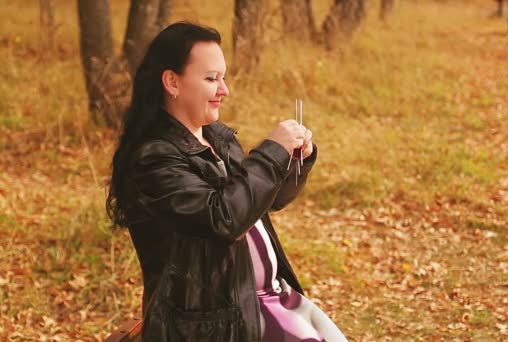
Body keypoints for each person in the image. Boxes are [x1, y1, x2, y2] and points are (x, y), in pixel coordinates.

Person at [106, 22, 348, 342]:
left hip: (265, 298)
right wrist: (271, 153)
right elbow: (223, 218)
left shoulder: (217, 139)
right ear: (172, 82)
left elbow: (262, 200)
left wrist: (293, 161)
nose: (224, 89)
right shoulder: (154, 159)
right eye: (211, 79)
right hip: (215, 324)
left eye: (223, 77)